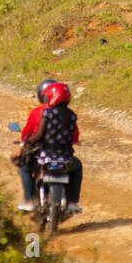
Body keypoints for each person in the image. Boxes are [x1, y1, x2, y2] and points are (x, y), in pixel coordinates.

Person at [12, 80, 83, 214]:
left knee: (25, 167)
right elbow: (75, 136)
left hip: (44, 155)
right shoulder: (72, 115)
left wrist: (25, 143)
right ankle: (72, 201)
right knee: (77, 166)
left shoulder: (41, 112)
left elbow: (33, 133)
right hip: (65, 157)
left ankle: (29, 200)